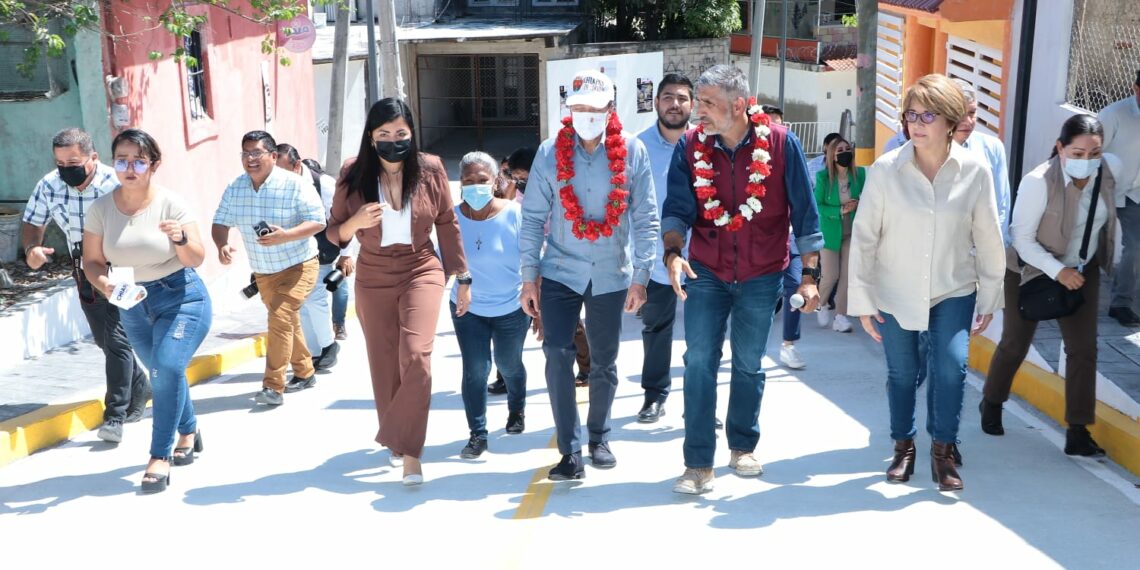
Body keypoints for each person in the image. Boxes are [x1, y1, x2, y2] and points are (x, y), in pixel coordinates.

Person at [662, 65, 823, 494]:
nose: (698, 111)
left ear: (738, 105)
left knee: (749, 363)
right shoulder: (691, 146)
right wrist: (673, 254)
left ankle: (742, 447)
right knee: (699, 361)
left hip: (762, 273)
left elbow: (806, 216)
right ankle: (698, 464)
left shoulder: (782, 144)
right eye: (698, 102)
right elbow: (676, 209)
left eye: (708, 103)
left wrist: (809, 276)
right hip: (706, 271)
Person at [848, 73, 1005, 492]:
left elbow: (989, 236)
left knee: (952, 368)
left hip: (954, 288)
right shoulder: (886, 170)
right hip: (895, 290)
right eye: (911, 115)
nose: (916, 124)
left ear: (951, 121)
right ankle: (903, 448)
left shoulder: (975, 171)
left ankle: (943, 452)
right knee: (902, 374)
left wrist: (991, 295)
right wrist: (863, 301)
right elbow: (864, 238)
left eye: (928, 116)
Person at [519, 69, 659, 480]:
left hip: (611, 274)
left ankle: (599, 436)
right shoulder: (549, 153)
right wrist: (528, 276)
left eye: (594, 109)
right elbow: (532, 218)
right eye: (578, 108)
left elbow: (646, 217)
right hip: (559, 270)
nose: (586, 116)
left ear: (610, 109)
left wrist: (641, 276)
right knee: (556, 353)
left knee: (604, 361)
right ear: (568, 109)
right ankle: (570, 450)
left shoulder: (632, 151)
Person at [326, 97, 469, 485]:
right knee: (385, 362)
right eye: (385, 133)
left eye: (401, 132)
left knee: (416, 355)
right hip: (373, 273)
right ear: (371, 137)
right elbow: (334, 233)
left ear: (412, 133)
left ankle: (410, 453)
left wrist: (462, 276)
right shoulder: (352, 172)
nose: (394, 140)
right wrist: (355, 222)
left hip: (420, 266)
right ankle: (397, 438)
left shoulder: (430, 168)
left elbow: (447, 222)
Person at [981, 114, 1122, 456]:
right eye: (1077, 153)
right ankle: (992, 401)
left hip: (1082, 269)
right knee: (1015, 342)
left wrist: (1084, 268)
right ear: (1060, 148)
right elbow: (1022, 239)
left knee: (1083, 349)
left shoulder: (1109, 171)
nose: (1086, 161)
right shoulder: (1038, 181)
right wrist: (1058, 271)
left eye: (1094, 153)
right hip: (1029, 270)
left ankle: (1078, 430)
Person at [81, 129, 212, 494]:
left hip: (181, 297)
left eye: (139, 162)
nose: (130, 169)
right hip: (131, 302)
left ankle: (159, 456)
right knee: (164, 372)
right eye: (122, 161)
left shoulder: (171, 204)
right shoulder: (101, 209)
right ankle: (189, 431)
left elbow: (196, 258)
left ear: (154, 165)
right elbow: (92, 261)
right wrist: (104, 284)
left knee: (166, 368)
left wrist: (180, 238)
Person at [21, 128, 150, 444]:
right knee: (104, 340)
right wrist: (32, 249)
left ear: (93, 157)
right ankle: (141, 385)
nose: (66, 169)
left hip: (120, 267)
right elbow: (33, 221)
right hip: (84, 269)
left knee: (116, 339)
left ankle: (115, 415)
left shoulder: (115, 183)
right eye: (60, 163)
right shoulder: (49, 185)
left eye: (74, 163)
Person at [211, 131, 326, 406]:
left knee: (280, 317)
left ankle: (273, 386)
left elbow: (318, 221)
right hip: (264, 271)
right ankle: (305, 371)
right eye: (245, 153)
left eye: (256, 153)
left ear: (273, 156)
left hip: (299, 265)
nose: (250, 159)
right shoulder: (235, 187)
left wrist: (286, 235)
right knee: (285, 321)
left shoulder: (295, 184)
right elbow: (220, 222)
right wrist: (222, 244)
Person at [451, 151, 533, 459]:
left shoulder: (514, 213)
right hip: (467, 309)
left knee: (508, 364)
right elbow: (438, 259)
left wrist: (536, 298)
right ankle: (478, 434)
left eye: (482, 179)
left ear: (495, 180)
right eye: (468, 180)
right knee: (476, 369)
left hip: (511, 307)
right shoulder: (451, 218)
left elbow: (532, 258)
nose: (475, 186)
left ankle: (516, 409)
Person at [634, 72, 693, 422]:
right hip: (656, 258)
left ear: (692, 104)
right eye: (668, 97)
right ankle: (654, 396)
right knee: (656, 329)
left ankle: (700, 402)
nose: (675, 104)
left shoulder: (706, 144)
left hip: (702, 257)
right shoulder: (638, 147)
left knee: (704, 335)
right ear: (656, 102)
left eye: (682, 98)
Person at [275, 144, 352, 371]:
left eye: (282, 170)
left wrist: (346, 255)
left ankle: (328, 346)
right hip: (293, 252)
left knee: (314, 298)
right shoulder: (277, 185)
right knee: (302, 302)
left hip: (321, 250)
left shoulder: (323, 184)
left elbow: (344, 219)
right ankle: (315, 351)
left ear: (296, 165)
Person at [1098, 70, 1140, 327]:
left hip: (1135, 194)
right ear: (1136, 88)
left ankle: (1121, 303)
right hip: (1105, 190)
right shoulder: (1113, 115)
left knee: (1135, 247)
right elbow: (1092, 151)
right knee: (1084, 244)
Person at [814, 135, 864, 333]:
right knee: (830, 275)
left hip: (852, 231)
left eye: (847, 149)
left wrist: (858, 203)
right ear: (832, 156)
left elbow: (869, 196)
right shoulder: (823, 177)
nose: (845, 153)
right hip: (830, 231)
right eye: (840, 151)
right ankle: (821, 303)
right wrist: (840, 210)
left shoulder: (860, 174)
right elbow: (818, 205)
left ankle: (841, 316)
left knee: (848, 275)